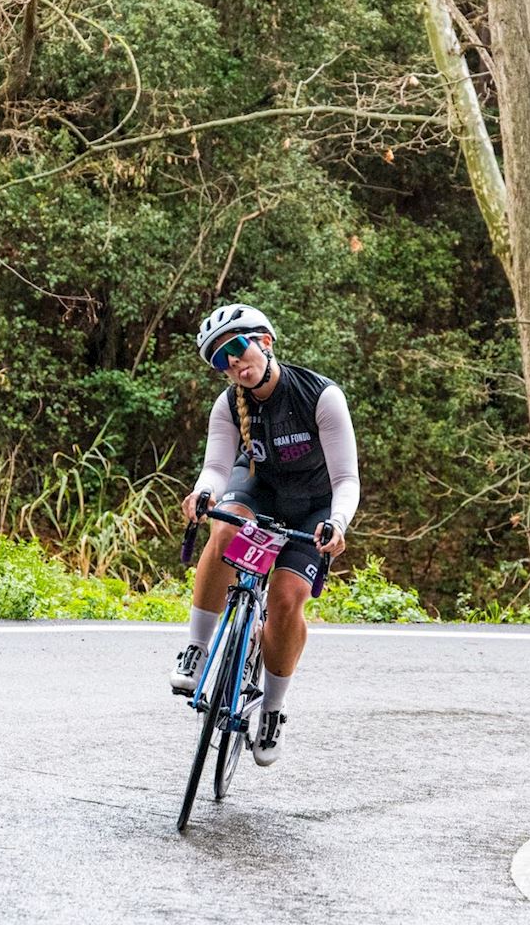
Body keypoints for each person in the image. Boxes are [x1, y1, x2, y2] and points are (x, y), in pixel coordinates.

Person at [170, 303, 360, 766]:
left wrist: (337, 523)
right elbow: (216, 468)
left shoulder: (320, 396)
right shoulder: (227, 406)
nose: (233, 362)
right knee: (224, 530)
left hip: (313, 504)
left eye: (237, 348)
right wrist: (202, 492)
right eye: (221, 360)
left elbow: (346, 480)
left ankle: (272, 708)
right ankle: (197, 648)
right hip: (258, 488)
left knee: (286, 599)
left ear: (265, 343)